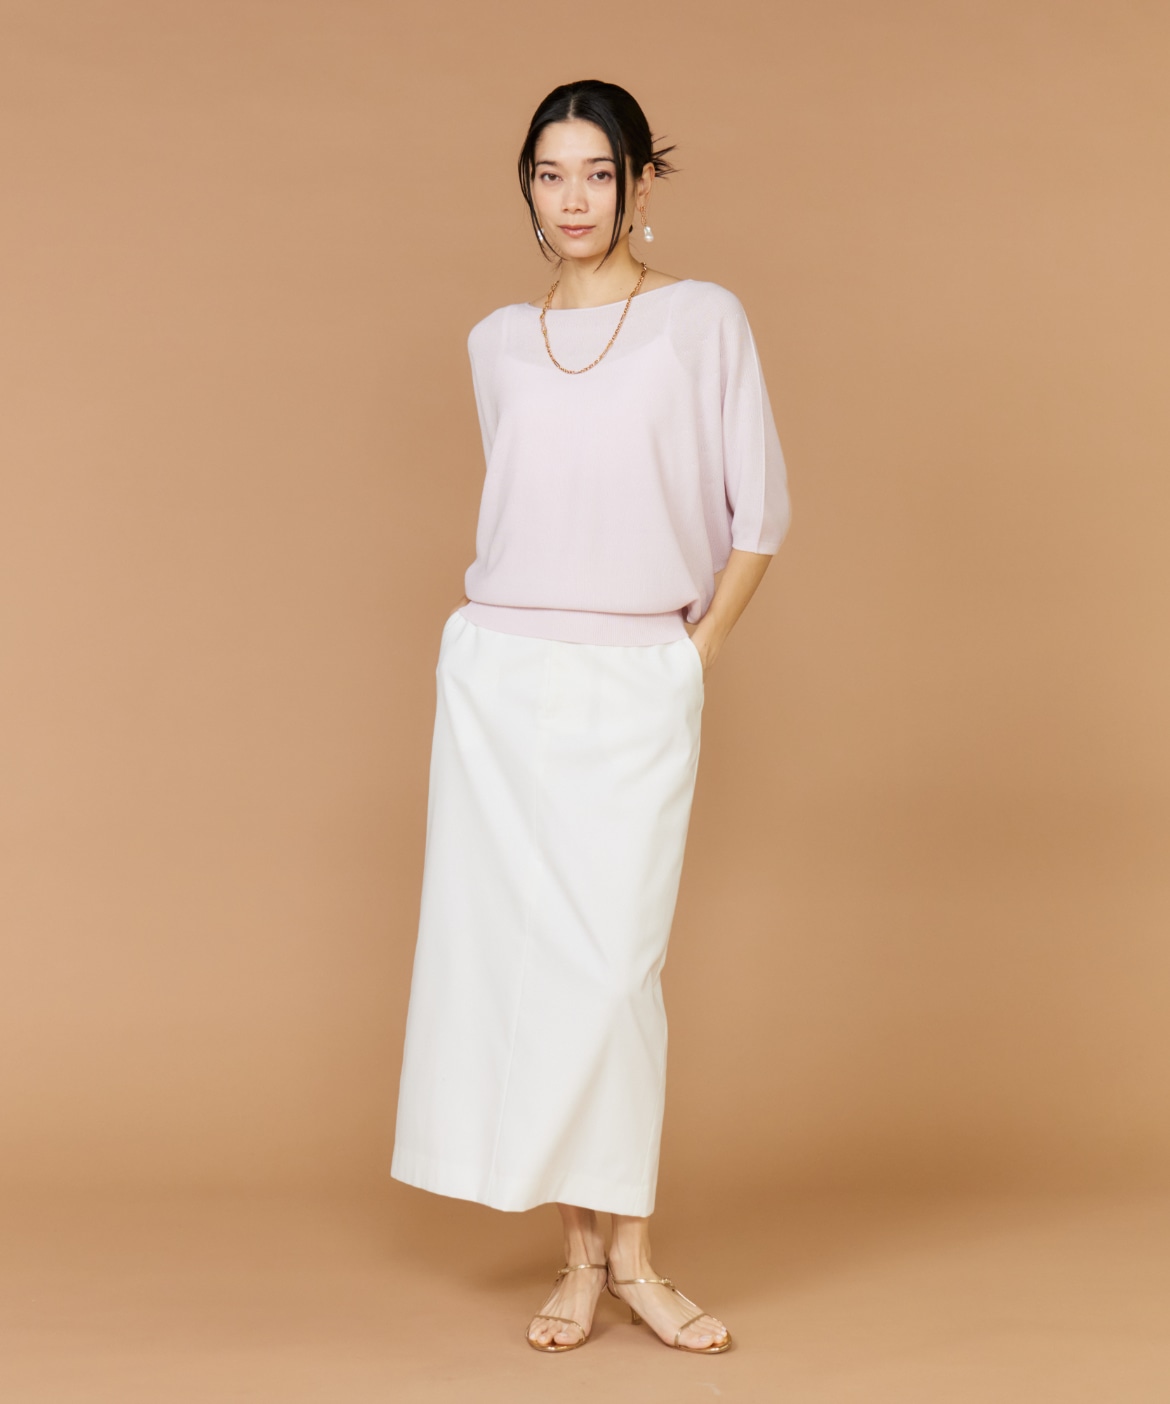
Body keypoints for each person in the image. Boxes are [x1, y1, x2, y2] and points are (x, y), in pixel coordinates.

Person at [390, 78, 792, 1355]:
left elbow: (760, 516)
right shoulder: (495, 342)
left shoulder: (701, 320)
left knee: (615, 972)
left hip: (635, 676)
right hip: (500, 679)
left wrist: (693, 659)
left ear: (640, 184)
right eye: (551, 173)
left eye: (599, 173)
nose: (574, 199)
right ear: (528, 186)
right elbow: (531, 510)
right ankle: (583, 1262)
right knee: (527, 966)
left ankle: (639, 1260)